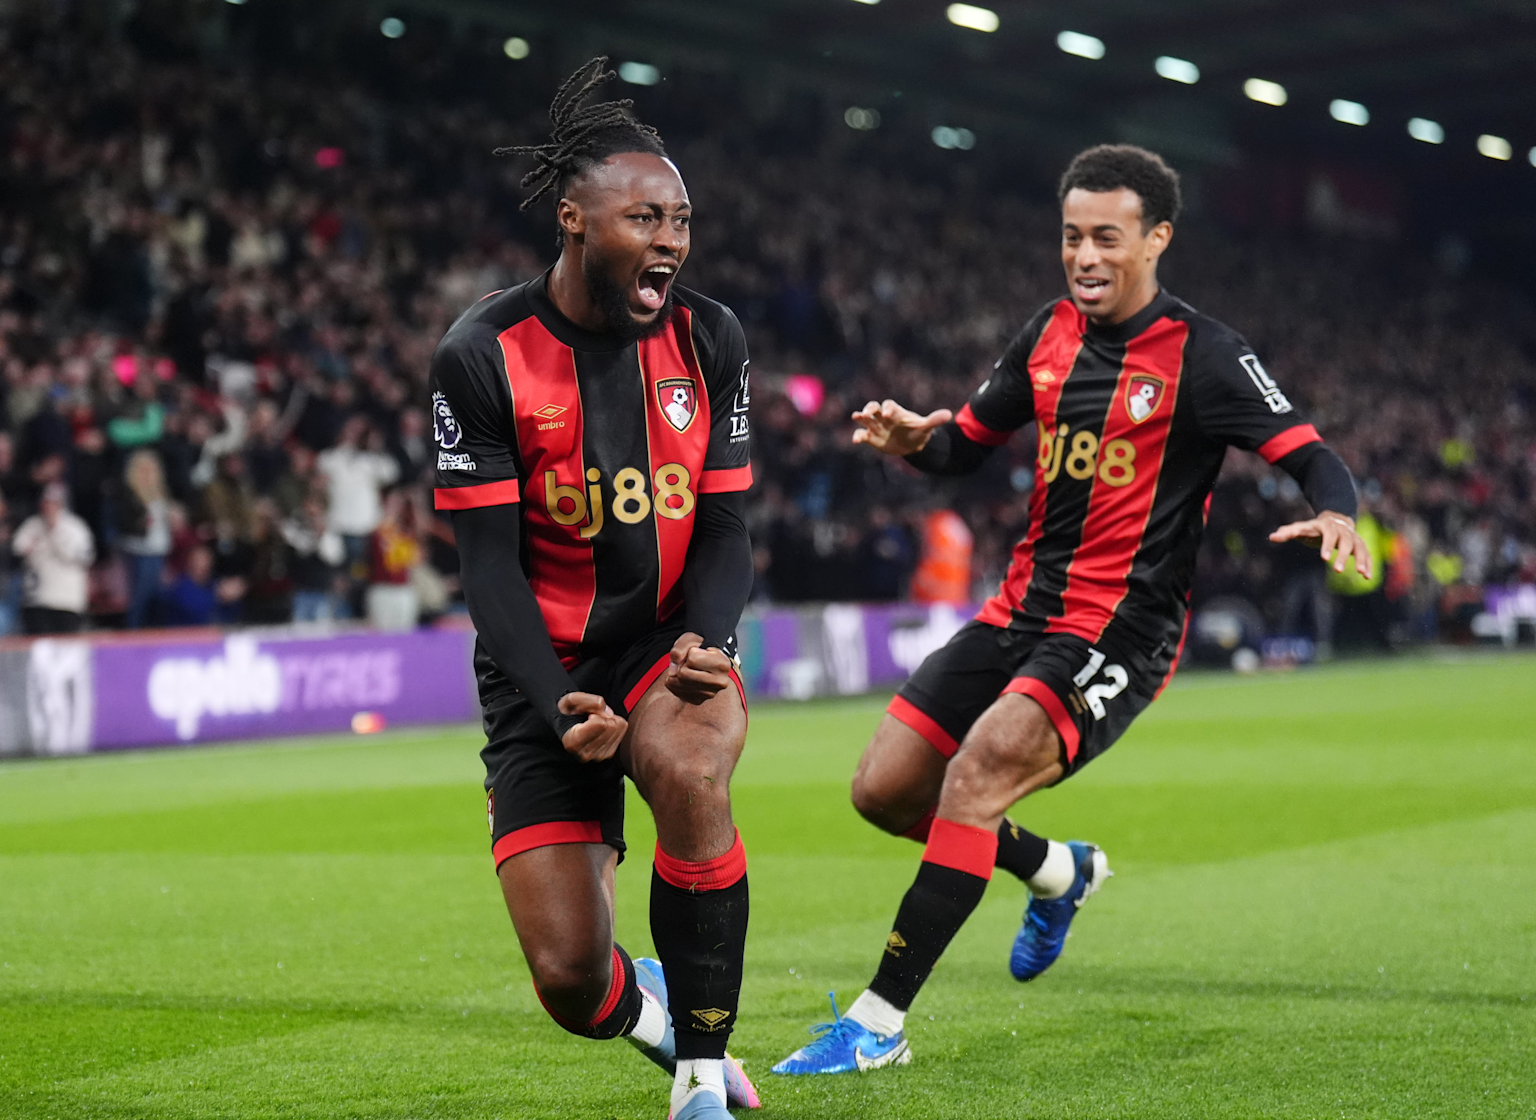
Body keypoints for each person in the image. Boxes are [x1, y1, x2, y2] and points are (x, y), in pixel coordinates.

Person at [774, 144, 1371, 1075]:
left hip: (1121, 629)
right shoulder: (1047, 333)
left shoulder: (1208, 356)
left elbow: (1309, 454)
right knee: (884, 791)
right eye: (1071, 237)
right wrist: (908, 443)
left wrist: (1337, 510)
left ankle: (879, 1022)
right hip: (1020, 608)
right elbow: (963, 446)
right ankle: (1058, 872)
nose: (1085, 256)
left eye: (1106, 237)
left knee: (973, 778)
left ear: (1156, 239)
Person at [430, 60, 758, 1120]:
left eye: (682, 219)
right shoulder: (482, 354)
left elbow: (726, 524)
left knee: (687, 763)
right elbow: (486, 567)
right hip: (545, 663)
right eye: (645, 216)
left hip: (666, 636)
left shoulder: (710, 338)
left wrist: (712, 634)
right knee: (572, 981)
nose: (671, 238)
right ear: (574, 219)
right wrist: (551, 693)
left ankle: (704, 1074)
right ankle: (661, 1020)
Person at [12, 482, 96, 634]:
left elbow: (83, 558)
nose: (49, 507)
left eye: (54, 503)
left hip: (66, 602)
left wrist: (54, 532)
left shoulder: (76, 528)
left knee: (66, 651)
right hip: (37, 600)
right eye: (46, 502)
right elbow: (18, 549)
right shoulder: (33, 525)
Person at [116, 449, 173, 629]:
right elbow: (123, 523)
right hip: (139, 551)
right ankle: (133, 633)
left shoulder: (160, 494)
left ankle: (149, 633)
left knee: (155, 598)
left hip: (158, 550)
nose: (147, 475)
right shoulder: (127, 494)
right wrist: (141, 523)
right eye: (143, 470)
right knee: (139, 598)